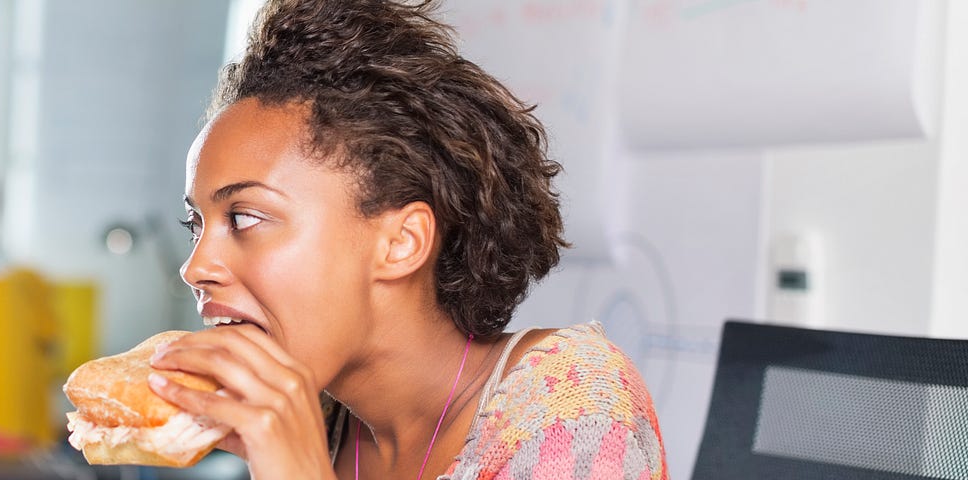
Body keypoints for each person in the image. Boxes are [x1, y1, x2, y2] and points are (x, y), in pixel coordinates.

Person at [144, 1, 667, 479]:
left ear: (401, 242)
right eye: (198, 225)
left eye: (245, 217)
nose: (196, 267)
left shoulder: (575, 406)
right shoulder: (314, 420)